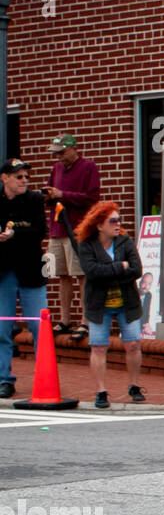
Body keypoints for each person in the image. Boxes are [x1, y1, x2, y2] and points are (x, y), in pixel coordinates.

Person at [75, 201, 145, 408]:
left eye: (119, 219)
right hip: (98, 304)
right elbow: (92, 272)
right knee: (98, 347)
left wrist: (110, 270)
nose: (118, 224)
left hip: (127, 302)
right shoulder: (87, 246)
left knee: (133, 344)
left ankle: (134, 385)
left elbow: (137, 270)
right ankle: (101, 391)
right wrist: (119, 267)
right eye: (112, 220)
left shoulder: (125, 242)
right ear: (99, 225)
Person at [42, 133, 100, 339]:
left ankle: (85, 322)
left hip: (78, 230)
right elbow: (53, 194)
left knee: (81, 275)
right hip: (57, 230)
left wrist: (63, 195)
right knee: (61, 275)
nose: (58, 157)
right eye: (56, 153)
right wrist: (49, 195)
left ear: (74, 149)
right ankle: (65, 320)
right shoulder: (56, 169)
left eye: (62, 152)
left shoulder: (88, 167)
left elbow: (93, 198)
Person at [0, 159, 48, 400]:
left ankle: (44, 378)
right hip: (4, 274)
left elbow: (40, 231)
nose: (25, 180)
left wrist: (14, 233)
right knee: (2, 328)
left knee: (40, 327)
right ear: (4, 178)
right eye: (19, 176)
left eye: (26, 176)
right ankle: (4, 380)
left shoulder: (35, 200)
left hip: (31, 272)